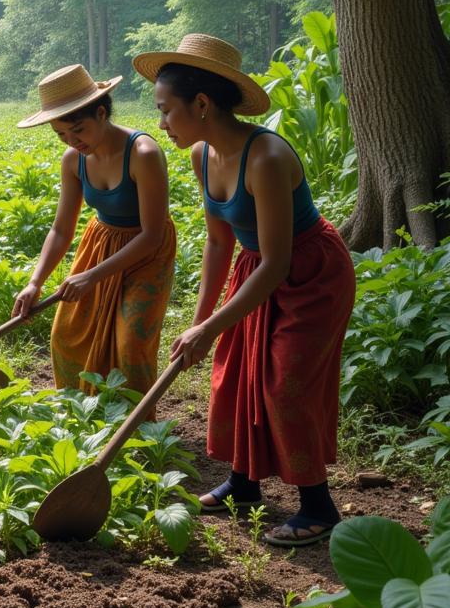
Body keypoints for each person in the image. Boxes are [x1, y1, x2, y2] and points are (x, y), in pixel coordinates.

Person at [134, 34, 356, 548]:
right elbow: (217, 242)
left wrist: (212, 326)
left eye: (166, 111)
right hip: (252, 265)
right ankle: (243, 485)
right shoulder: (202, 155)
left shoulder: (267, 159)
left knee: (285, 384)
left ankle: (318, 505)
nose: (162, 122)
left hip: (310, 272)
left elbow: (279, 261)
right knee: (235, 373)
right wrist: (201, 322)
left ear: (203, 104)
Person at [12, 64, 176, 398]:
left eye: (79, 131)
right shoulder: (73, 160)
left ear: (101, 113)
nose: (73, 142)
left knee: (131, 343)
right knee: (65, 334)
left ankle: (136, 430)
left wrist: (92, 277)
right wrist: (35, 282)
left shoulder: (143, 154)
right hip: (100, 243)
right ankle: (80, 415)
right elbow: (61, 229)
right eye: (61, 135)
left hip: (145, 250)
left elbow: (152, 235)